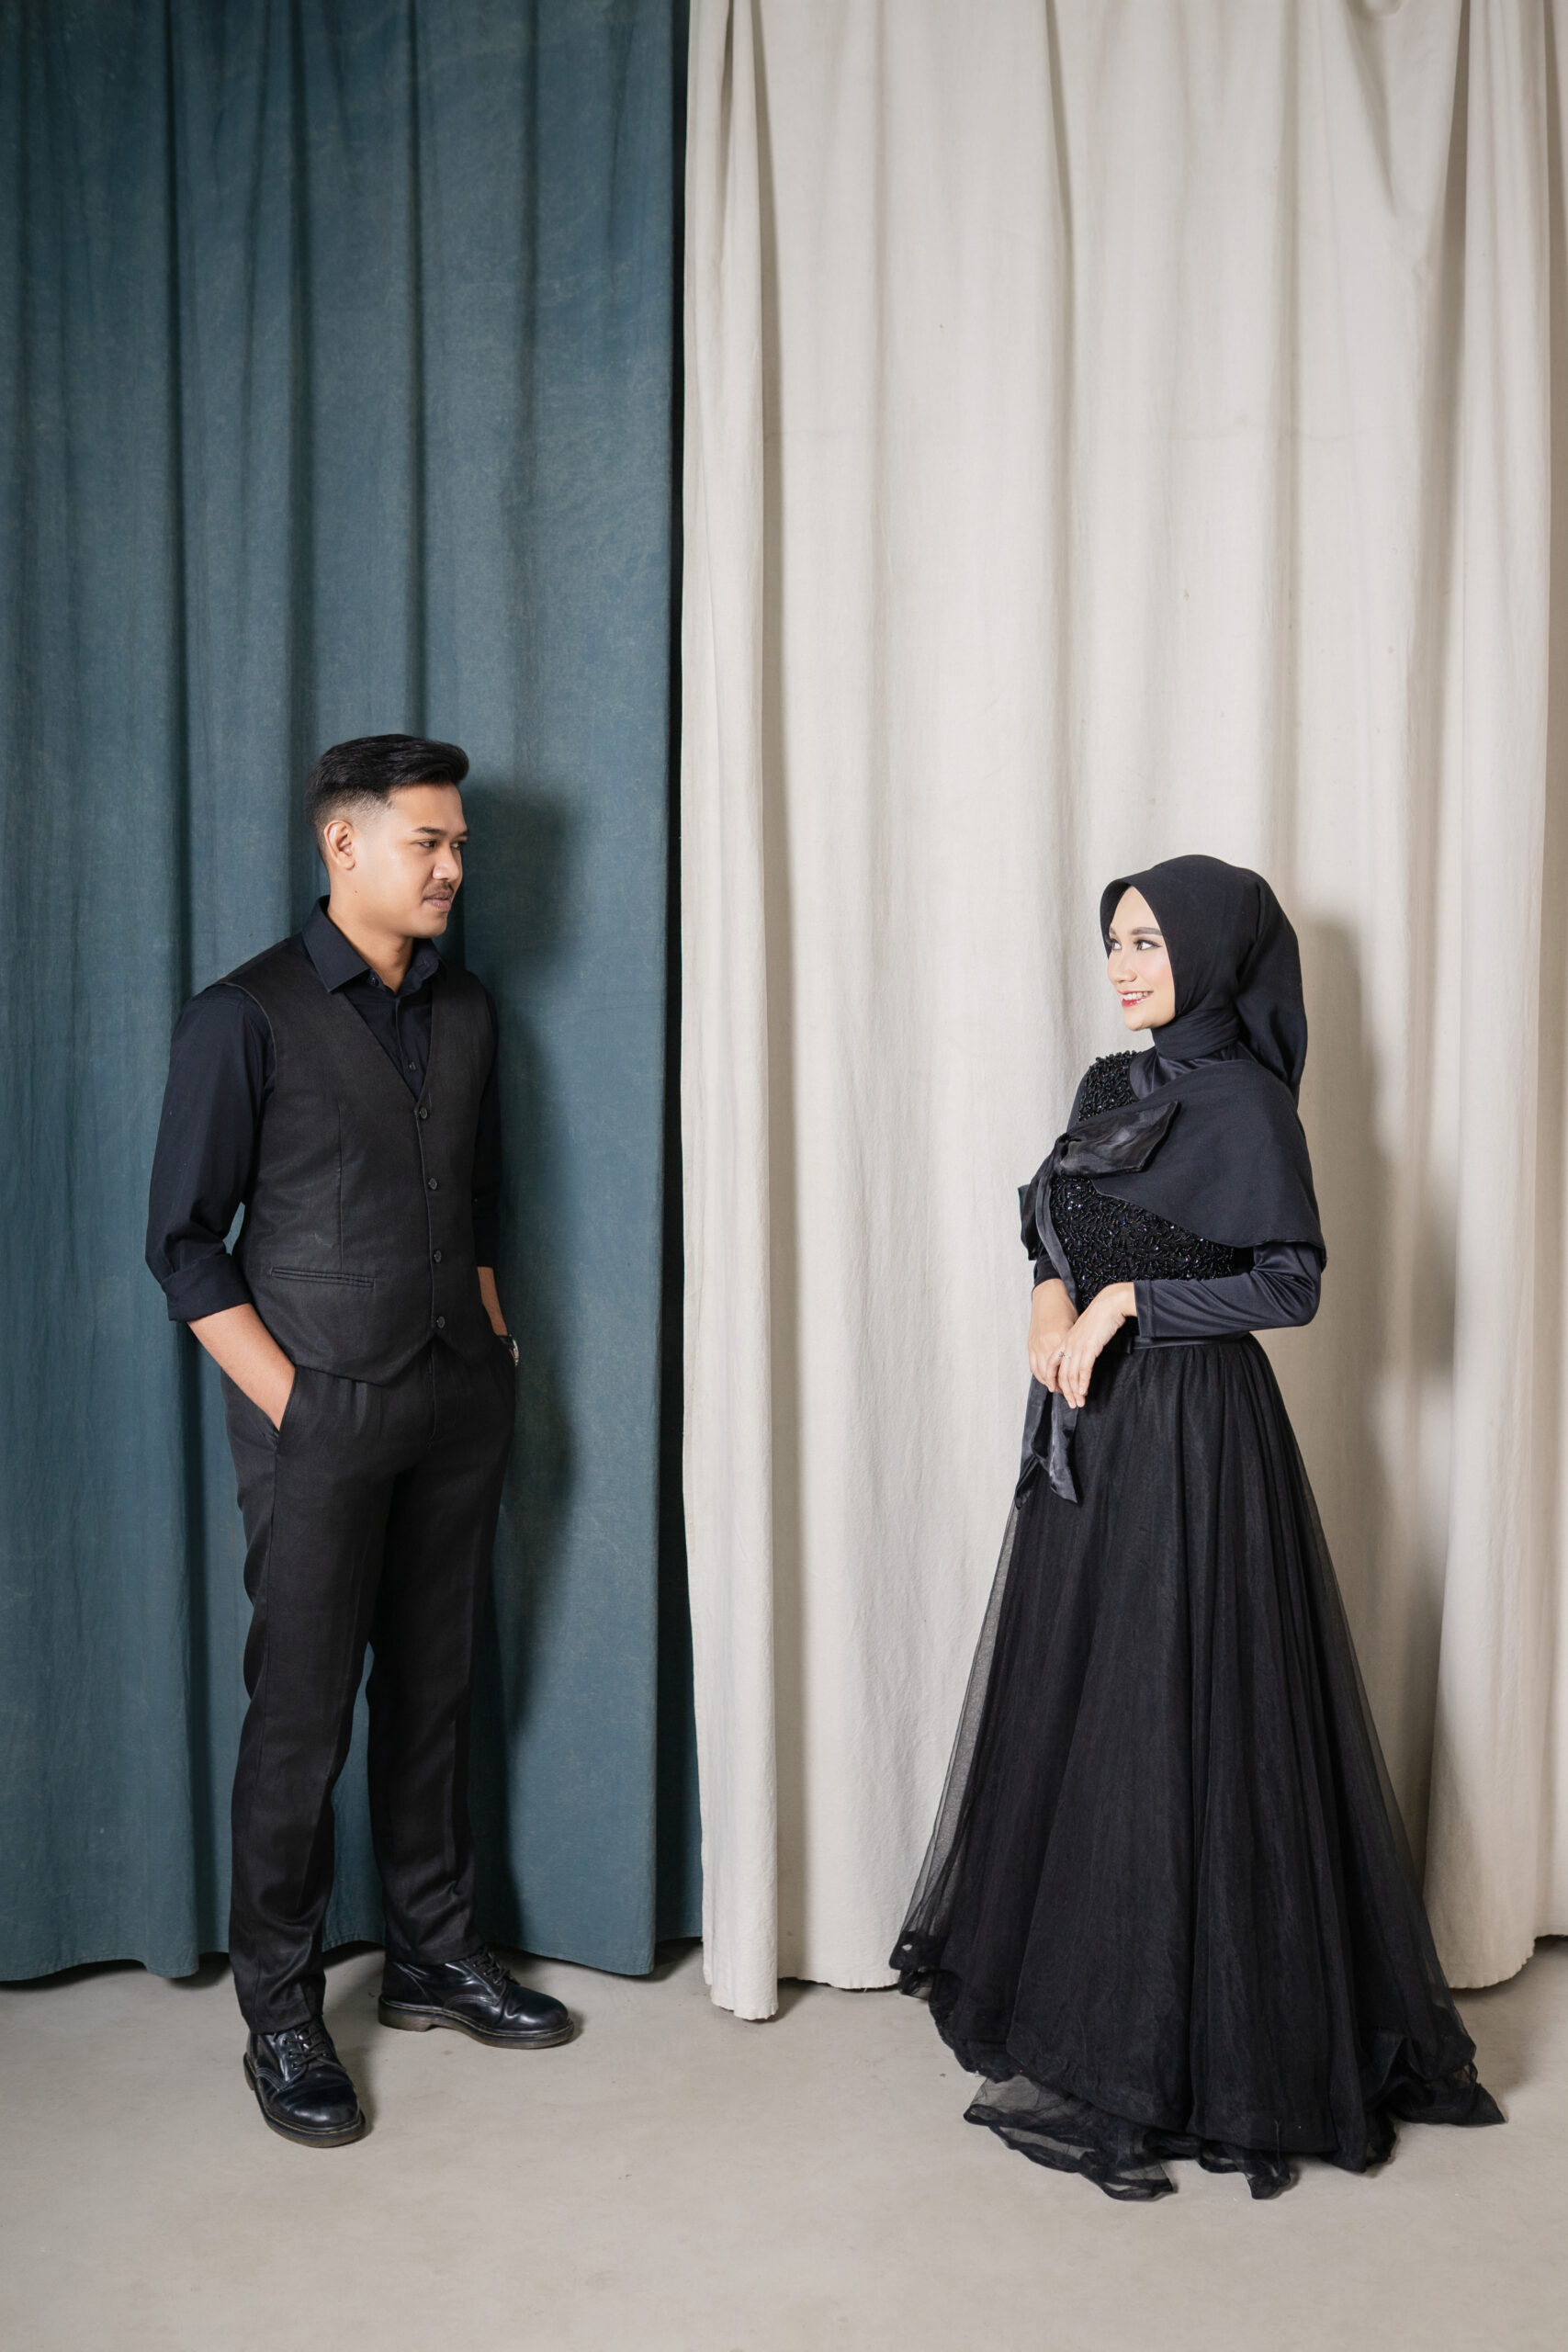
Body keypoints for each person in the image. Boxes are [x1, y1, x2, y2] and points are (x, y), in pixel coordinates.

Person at [891, 854, 1502, 2199]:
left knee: (1188, 1720)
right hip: (1093, 1438)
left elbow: (1291, 1285)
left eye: (1152, 943)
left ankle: (1199, 2044)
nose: (1125, 967)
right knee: (1096, 1716)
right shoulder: (1107, 1087)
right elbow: (1053, 1221)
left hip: (1199, 1444)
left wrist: (1132, 1308)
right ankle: (1095, 2004)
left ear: (1216, 956)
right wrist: (1056, 1301)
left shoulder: (1248, 1105)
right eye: (1116, 941)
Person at [146, 734, 570, 2149]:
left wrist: (494, 1348)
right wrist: (295, 1404)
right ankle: (279, 2012)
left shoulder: (469, 1011)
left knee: (436, 1693)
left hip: (458, 1402)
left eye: (459, 847)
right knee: (301, 1715)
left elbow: (484, 1202)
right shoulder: (241, 1017)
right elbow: (183, 1245)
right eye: (426, 843)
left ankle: (435, 1957)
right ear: (344, 845)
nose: (452, 869)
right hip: (319, 1415)